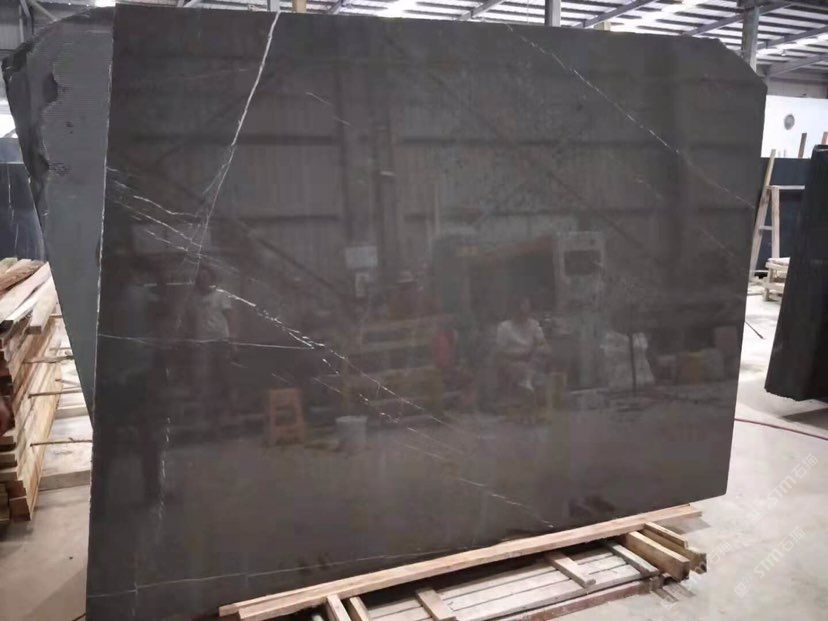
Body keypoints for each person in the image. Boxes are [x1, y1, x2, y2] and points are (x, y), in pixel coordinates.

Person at [495, 297, 549, 395]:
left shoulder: (534, 324)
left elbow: (542, 343)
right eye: (521, 308)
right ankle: (527, 381)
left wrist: (538, 349)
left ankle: (528, 381)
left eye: (526, 307)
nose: (524, 311)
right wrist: (520, 356)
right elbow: (499, 353)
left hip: (532, 359)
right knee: (523, 367)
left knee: (542, 352)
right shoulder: (504, 327)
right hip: (512, 361)